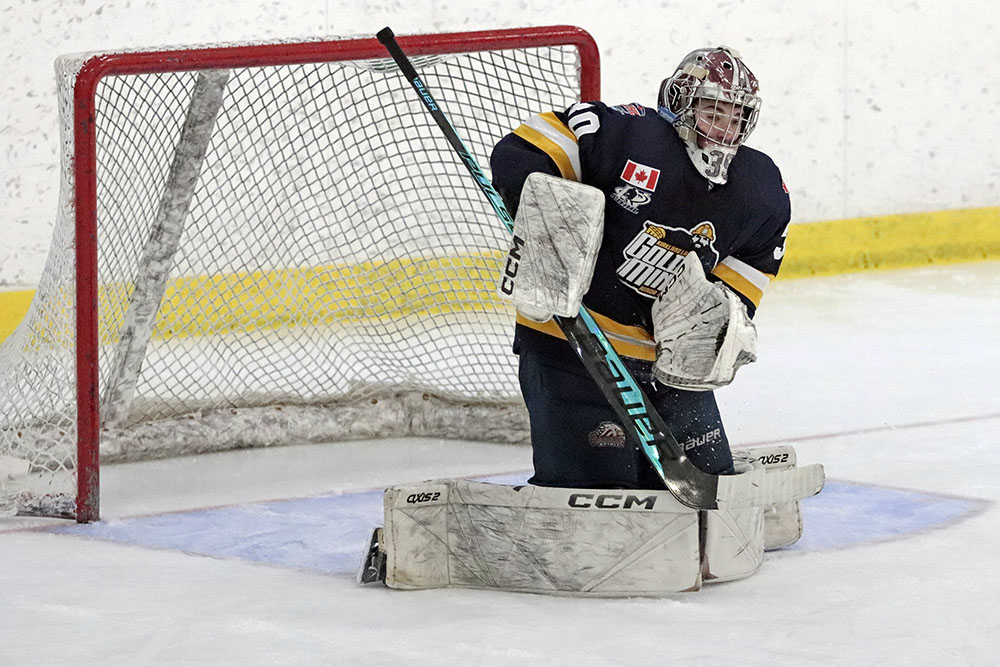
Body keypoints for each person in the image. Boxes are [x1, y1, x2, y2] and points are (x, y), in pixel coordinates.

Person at [489, 46, 791, 490]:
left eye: (737, 115)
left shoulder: (759, 185)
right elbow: (523, 150)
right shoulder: (629, 135)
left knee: (709, 481)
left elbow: (755, 259)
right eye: (713, 110)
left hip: (670, 363)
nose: (725, 127)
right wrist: (549, 229)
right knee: (599, 492)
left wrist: (717, 318)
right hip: (571, 346)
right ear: (680, 100)